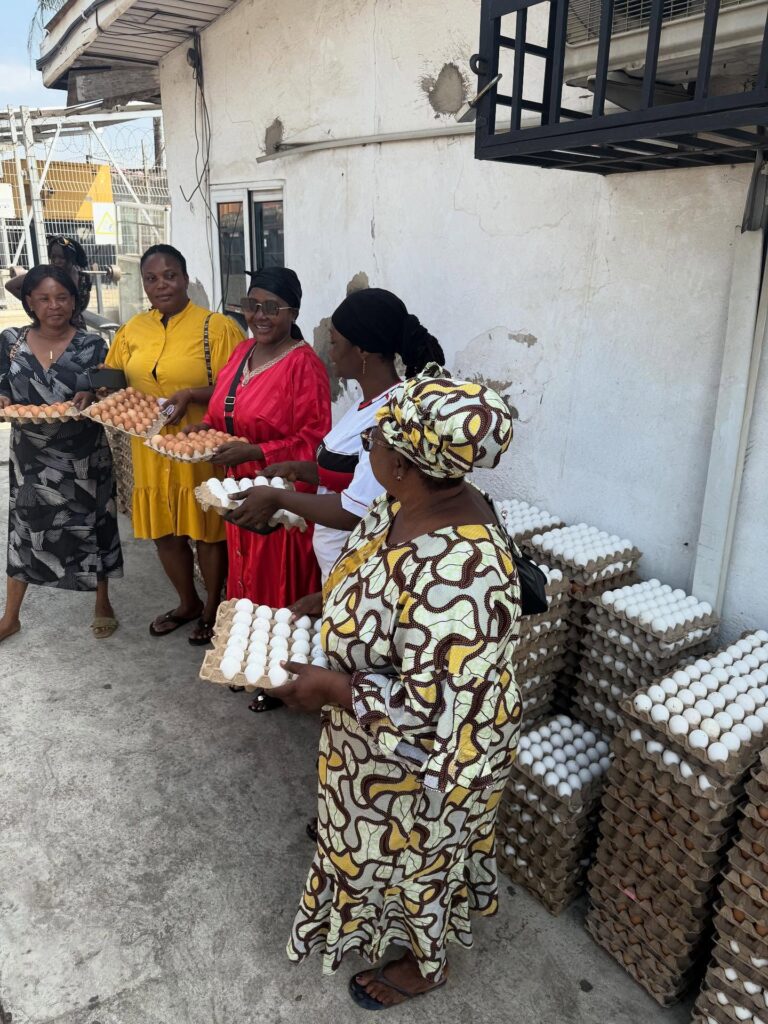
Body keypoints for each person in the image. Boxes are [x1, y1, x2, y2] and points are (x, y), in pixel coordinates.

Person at [277, 367, 522, 1009]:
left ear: (410, 463)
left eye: (379, 441)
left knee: (421, 861)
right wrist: (323, 606)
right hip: (367, 742)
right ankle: (382, 920)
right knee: (374, 847)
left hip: (430, 760)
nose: (369, 448)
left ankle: (426, 962)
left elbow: (434, 711)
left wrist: (333, 686)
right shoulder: (402, 503)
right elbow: (368, 576)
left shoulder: (462, 575)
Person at [226, 288, 445, 609]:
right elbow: (355, 472)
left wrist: (278, 498)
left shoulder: (390, 418)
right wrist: (300, 469)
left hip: (365, 578)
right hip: (339, 567)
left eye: (335, 342)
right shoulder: (365, 404)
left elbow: (354, 511)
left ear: (362, 352)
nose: (329, 352)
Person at [194, 267, 331, 708]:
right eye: (252, 305)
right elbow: (223, 413)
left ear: (292, 312)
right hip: (237, 490)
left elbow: (314, 444)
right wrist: (205, 431)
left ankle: (280, 675)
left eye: (272, 307)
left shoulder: (304, 365)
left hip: (281, 497)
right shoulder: (242, 353)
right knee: (245, 574)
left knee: (278, 581)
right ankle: (247, 658)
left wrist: (255, 453)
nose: (259, 315)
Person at [104, 244, 244, 644]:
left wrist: (192, 395)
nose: (161, 285)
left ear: (184, 278)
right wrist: (97, 388)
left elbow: (235, 387)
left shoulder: (216, 328)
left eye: (169, 275)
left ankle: (213, 608)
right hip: (148, 447)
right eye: (151, 278)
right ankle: (187, 603)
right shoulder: (132, 330)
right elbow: (113, 373)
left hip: (198, 443)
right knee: (165, 530)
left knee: (207, 529)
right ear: (143, 284)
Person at [0, 265, 123, 643]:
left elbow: (112, 387)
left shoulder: (93, 345)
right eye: (44, 298)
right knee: (26, 530)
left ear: (74, 301)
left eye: (62, 297)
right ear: (30, 303)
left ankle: (102, 603)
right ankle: (10, 616)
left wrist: (97, 395)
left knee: (94, 526)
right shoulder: (11, 341)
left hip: (84, 455)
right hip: (31, 456)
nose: (55, 306)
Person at [5, 235, 92, 322]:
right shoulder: (44, 275)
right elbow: (11, 285)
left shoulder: (84, 280)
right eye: (53, 257)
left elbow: (82, 307)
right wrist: (34, 303)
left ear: (72, 257)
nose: (56, 261)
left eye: (61, 257)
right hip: (49, 328)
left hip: (75, 328)